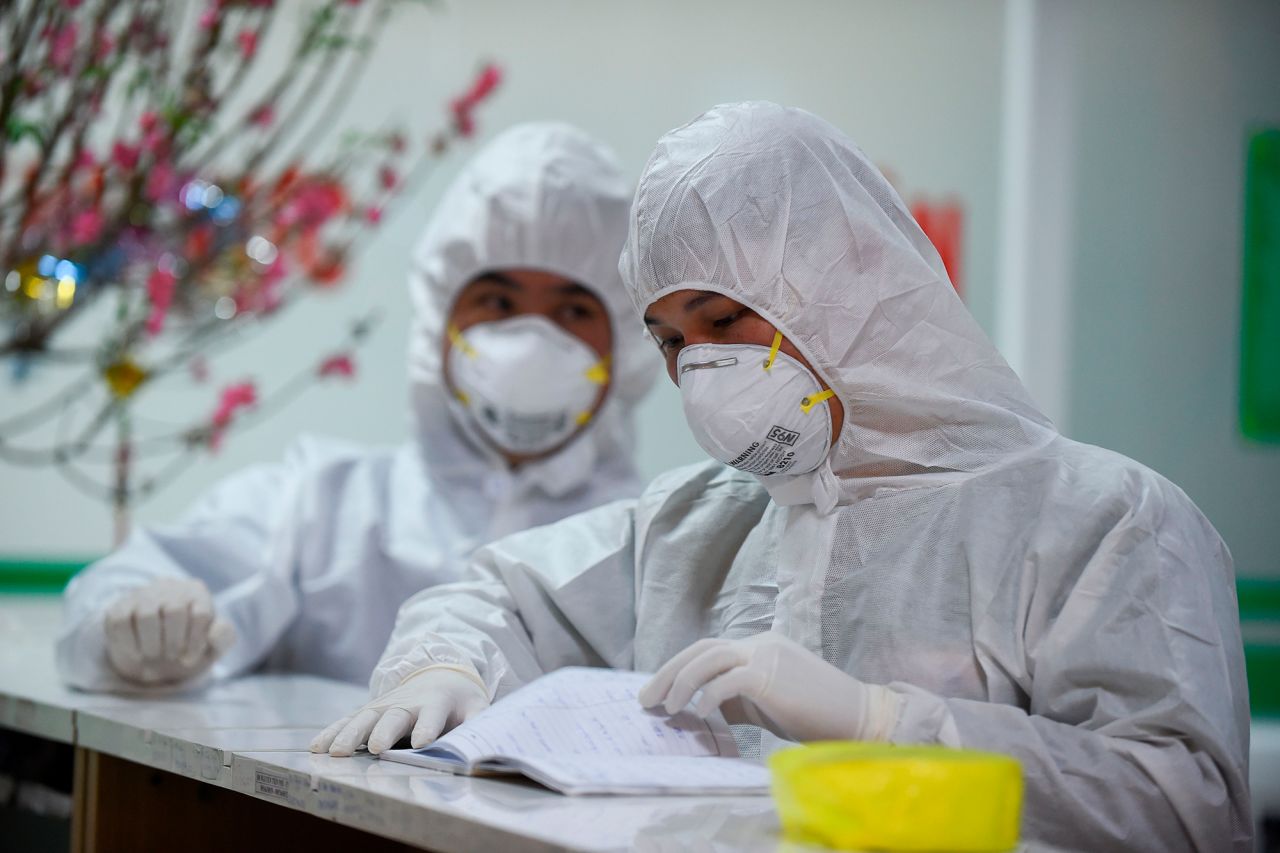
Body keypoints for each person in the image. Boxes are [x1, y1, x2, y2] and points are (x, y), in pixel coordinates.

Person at [310, 103, 1250, 852]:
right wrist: (444, 660)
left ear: (840, 285)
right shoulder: (699, 523)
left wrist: (885, 724)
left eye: (725, 320)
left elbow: (1186, 811)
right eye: (672, 339)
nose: (698, 368)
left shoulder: (1104, 520)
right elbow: (496, 590)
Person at [55, 123, 657, 692]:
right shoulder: (320, 507)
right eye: (497, 302)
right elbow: (120, 590)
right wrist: (129, 630)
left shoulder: (652, 550)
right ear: (439, 324)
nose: (530, 345)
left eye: (572, 311)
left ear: (627, 342)